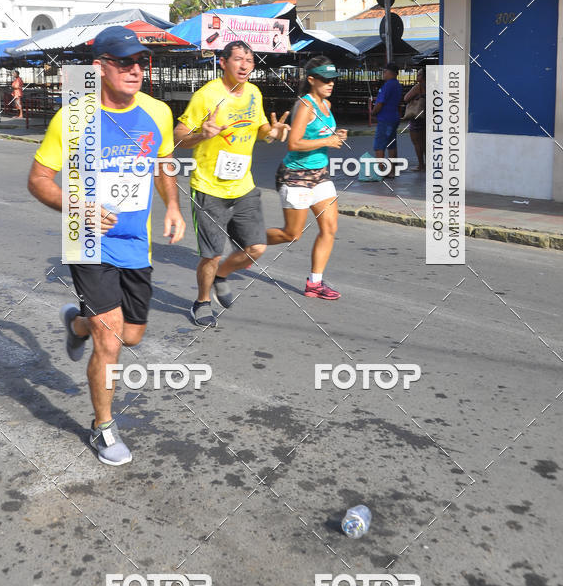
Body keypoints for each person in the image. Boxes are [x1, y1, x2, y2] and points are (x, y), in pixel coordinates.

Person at [27, 26, 185, 467]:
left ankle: (76, 324)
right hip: (88, 237)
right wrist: (78, 204)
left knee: (132, 335)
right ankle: (103, 427)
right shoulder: (73, 118)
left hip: (136, 241)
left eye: (140, 62)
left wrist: (172, 205)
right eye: (124, 62)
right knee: (111, 338)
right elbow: (38, 180)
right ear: (100, 68)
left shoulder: (157, 112)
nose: (136, 70)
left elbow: (164, 162)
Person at [173, 40, 289, 328]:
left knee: (257, 247)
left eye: (249, 60)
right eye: (238, 59)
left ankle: (222, 275)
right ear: (223, 62)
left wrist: (271, 132)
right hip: (209, 188)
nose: (245, 65)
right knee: (210, 254)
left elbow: (260, 129)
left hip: (244, 187)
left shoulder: (253, 92)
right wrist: (202, 134)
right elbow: (178, 136)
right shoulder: (207, 96)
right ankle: (201, 301)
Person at [266, 56, 345, 300]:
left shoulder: (327, 105)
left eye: (333, 80)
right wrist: (327, 141)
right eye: (325, 80)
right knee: (292, 234)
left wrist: (336, 136)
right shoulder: (306, 105)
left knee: (330, 227)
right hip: (296, 175)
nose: (330, 84)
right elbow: (294, 142)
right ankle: (248, 240)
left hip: (320, 175)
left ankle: (315, 283)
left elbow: (322, 136)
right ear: (311, 80)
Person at [372, 62, 403, 177]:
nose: (383, 74)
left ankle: (381, 171)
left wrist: (373, 112)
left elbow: (380, 103)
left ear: (390, 73)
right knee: (392, 145)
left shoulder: (387, 85)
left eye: (384, 71)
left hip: (385, 118)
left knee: (379, 145)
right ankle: (392, 171)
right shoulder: (398, 85)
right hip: (394, 117)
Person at [403, 66, 426, 171]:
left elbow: (406, 98)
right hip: (427, 116)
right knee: (426, 142)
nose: (417, 76)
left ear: (423, 76)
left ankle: (421, 165)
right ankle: (429, 163)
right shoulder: (432, 86)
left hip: (417, 117)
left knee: (417, 142)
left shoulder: (418, 87)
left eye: (419, 74)